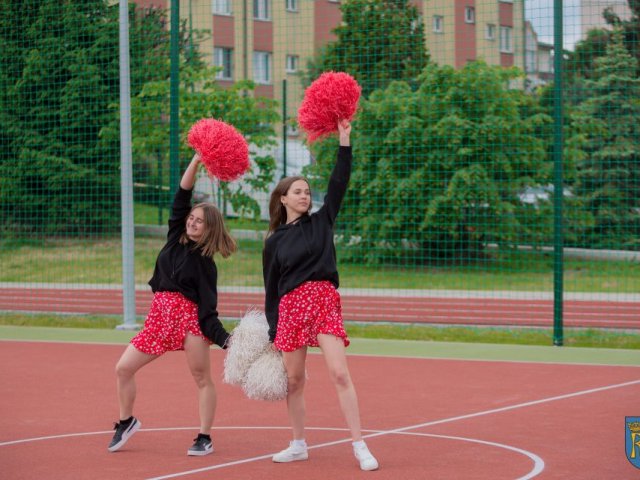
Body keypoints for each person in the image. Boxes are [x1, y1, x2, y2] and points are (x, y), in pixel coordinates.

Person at [262, 119, 379, 471]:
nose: (305, 195)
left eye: (307, 191)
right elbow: (271, 291)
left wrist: (345, 142)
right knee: (294, 380)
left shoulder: (322, 220)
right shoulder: (274, 241)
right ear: (283, 199)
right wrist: (273, 332)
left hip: (324, 299)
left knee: (339, 373)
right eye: (297, 191)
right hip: (291, 307)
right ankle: (298, 443)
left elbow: (339, 182)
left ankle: (359, 444)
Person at [108, 152, 235, 456]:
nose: (192, 223)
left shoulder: (206, 265)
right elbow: (182, 195)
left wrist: (227, 340)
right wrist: (197, 159)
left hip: (190, 320)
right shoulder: (173, 236)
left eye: (199, 222)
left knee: (201, 378)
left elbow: (208, 313)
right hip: (159, 316)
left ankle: (204, 436)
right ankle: (126, 421)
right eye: (191, 218)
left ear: (209, 228)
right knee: (123, 368)